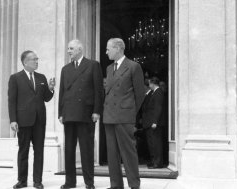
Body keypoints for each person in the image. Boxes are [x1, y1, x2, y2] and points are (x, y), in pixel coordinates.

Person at [58, 39, 104, 189]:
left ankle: (89, 182)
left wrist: (97, 111)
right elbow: (62, 93)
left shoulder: (92, 65)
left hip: (86, 114)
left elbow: (99, 90)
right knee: (69, 150)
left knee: (86, 150)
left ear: (79, 50)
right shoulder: (65, 69)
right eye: (68, 49)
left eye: (71, 49)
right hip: (69, 114)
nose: (68, 51)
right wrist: (60, 112)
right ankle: (70, 181)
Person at [8, 50, 55, 189]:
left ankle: (37, 181)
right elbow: (12, 101)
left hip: (39, 121)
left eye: (37, 59)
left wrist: (51, 89)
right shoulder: (15, 78)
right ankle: (22, 181)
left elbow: (46, 97)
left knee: (39, 151)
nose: (36, 61)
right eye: (34, 59)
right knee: (23, 151)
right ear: (25, 62)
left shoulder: (41, 77)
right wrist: (13, 120)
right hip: (23, 120)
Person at [103, 38, 145, 189]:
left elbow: (140, 94)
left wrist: (130, 111)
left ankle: (134, 185)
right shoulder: (109, 68)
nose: (106, 52)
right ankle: (116, 185)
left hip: (124, 116)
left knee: (128, 153)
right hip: (109, 116)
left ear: (118, 48)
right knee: (112, 155)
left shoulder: (133, 66)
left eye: (108, 49)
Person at [142, 77, 165, 169]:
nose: (149, 86)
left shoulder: (158, 92)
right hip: (151, 123)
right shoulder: (153, 92)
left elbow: (158, 108)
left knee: (156, 144)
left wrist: (155, 121)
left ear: (153, 83)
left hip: (155, 123)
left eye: (149, 84)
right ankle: (154, 161)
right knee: (152, 143)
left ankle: (158, 163)